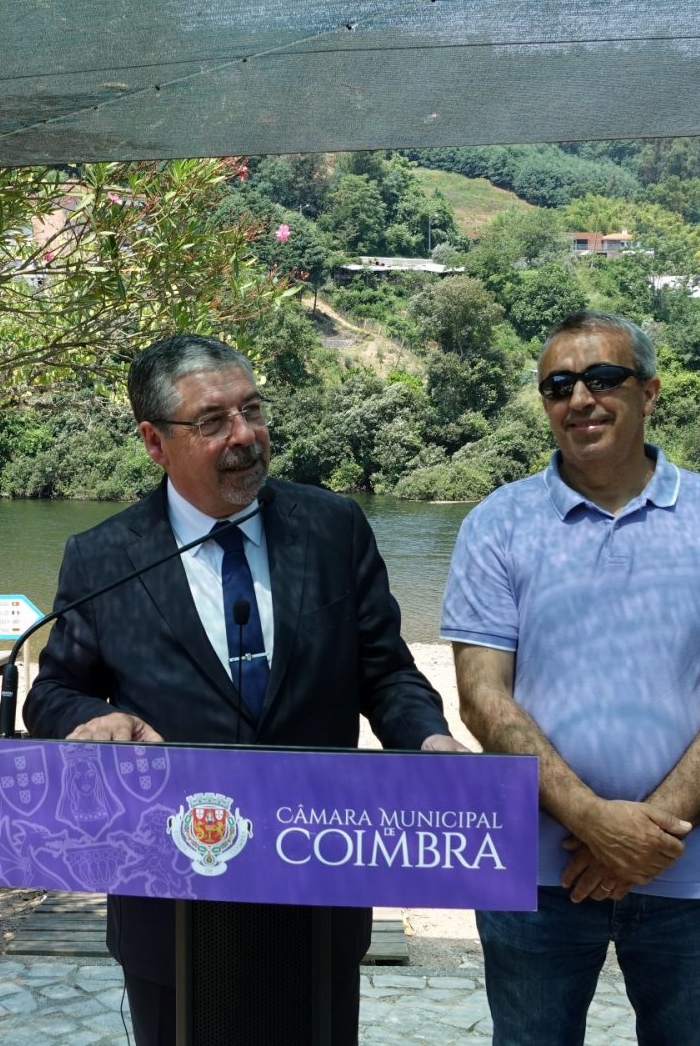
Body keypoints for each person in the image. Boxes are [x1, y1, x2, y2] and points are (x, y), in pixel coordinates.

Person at [23, 333, 465, 1045]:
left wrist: (427, 735)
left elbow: (385, 673)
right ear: (154, 441)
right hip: (169, 895)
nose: (245, 436)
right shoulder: (104, 556)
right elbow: (53, 694)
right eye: (212, 421)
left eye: (253, 411)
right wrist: (88, 722)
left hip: (316, 889)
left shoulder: (334, 529)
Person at [442, 310, 700, 1046]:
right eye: (559, 385)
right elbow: (483, 699)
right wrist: (595, 822)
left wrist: (641, 837)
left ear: (650, 391)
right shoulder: (495, 524)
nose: (581, 398)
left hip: (696, 872)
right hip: (535, 876)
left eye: (605, 378)